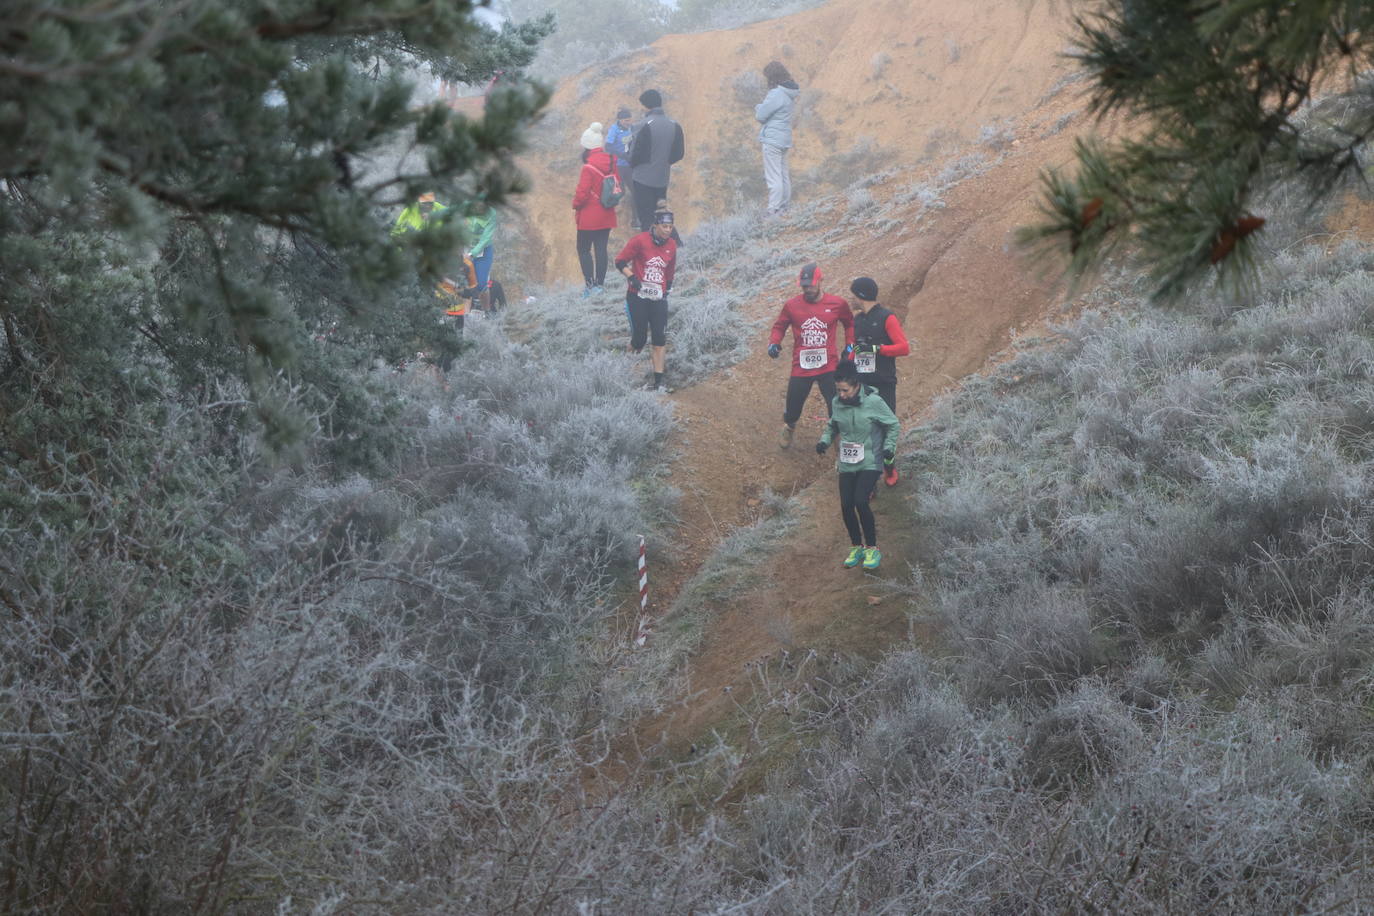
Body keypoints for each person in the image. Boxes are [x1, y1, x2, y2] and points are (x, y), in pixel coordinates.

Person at [816, 360, 900, 570]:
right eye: (838, 390)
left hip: (870, 460)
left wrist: (889, 447)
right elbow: (832, 425)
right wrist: (824, 441)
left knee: (861, 501)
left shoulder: (874, 402)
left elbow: (893, 424)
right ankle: (857, 546)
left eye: (845, 390)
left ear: (856, 385)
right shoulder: (837, 402)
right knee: (846, 505)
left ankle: (872, 548)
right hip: (847, 461)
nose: (841, 395)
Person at [768, 262, 853, 448]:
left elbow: (849, 323)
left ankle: (840, 444)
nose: (808, 289)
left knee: (836, 404)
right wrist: (774, 342)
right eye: (804, 285)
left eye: (811, 285)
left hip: (828, 365)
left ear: (820, 281)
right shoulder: (791, 306)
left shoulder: (837, 304)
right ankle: (789, 427)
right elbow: (779, 326)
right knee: (793, 405)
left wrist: (850, 345)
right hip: (801, 366)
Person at [392, 193, 479, 371]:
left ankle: (444, 372)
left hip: (453, 308)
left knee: (453, 343)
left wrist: (463, 290)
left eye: (429, 205)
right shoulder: (410, 213)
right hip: (434, 300)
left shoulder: (466, 263)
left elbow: (473, 289)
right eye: (424, 205)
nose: (427, 208)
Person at [845, 276, 911, 486]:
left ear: (861, 295)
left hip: (883, 383)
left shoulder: (886, 317)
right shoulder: (857, 320)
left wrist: (878, 349)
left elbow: (904, 348)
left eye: (853, 294)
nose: (851, 298)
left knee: (885, 429)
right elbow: (855, 349)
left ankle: (889, 465)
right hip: (862, 385)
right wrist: (846, 366)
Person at [615, 209, 679, 391]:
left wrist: (668, 287)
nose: (668, 230)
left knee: (659, 338)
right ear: (655, 225)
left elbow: (670, 268)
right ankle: (623, 370)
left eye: (670, 227)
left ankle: (659, 382)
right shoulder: (640, 241)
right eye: (664, 226)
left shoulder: (672, 245)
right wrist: (632, 277)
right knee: (639, 339)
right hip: (637, 296)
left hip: (658, 297)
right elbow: (620, 261)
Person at [628, 89, 685, 232]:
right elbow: (679, 153)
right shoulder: (675, 125)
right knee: (661, 216)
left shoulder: (642, 125)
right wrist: (663, 162)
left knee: (646, 220)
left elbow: (633, 154)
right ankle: (668, 249)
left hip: (642, 179)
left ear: (647, 106)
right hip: (662, 178)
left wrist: (635, 166)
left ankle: (650, 252)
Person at [573, 122, 619, 296]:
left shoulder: (588, 167)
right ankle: (600, 285)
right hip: (606, 212)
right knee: (601, 249)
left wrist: (575, 204)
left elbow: (582, 194)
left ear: (587, 147)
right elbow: (617, 184)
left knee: (583, 249)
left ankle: (589, 285)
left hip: (589, 216)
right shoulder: (611, 161)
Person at [755, 61, 800, 215]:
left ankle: (773, 209)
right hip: (784, 139)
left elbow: (760, 116)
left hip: (772, 139)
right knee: (783, 175)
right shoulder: (790, 93)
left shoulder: (776, 94)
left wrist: (758, 107)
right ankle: (784, 207)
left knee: (773, 176)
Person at [604, 107, 636, 220]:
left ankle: (635, 219)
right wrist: (622, 155)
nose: (629, 122)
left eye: (630, 120)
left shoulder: (631, 128)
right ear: (620, 120)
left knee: (636, 191)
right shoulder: (614, 129)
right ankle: (608, 216)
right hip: (618, 166)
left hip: (629, 166)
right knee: (618, 192)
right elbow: (608, 146)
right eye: (626, 120)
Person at [466, 201, 498, 312]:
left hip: (483, 250)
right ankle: (465, 314)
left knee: (481, 284)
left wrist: (472, 254)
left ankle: (486, 311)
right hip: (466, 246)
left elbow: (486, 238)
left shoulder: (491, 214)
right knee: (463, 282)